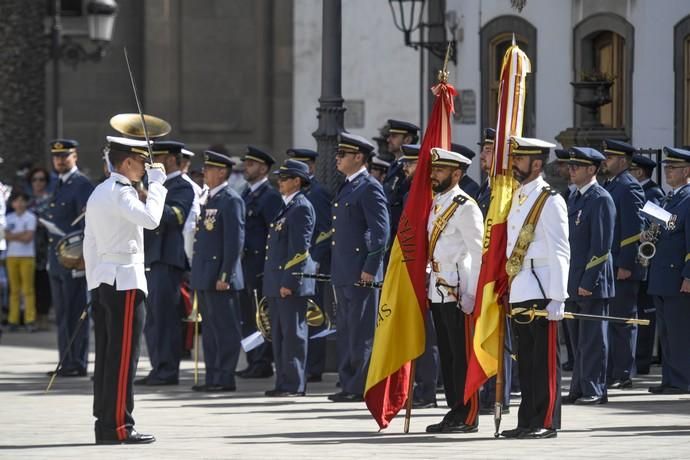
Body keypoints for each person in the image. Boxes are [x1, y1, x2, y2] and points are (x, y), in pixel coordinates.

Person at [84, 135, 167, 444]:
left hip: (105, 280)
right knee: (123, 359)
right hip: (126, 282)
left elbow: (89, 243)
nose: (145, 168)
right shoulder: (122, 193)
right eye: (142, 162)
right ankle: (120, 426)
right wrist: (158, 186)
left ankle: (105, 423)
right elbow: (151, 219)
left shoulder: (99, 191)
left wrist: (94, 284)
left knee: (108, 355)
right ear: (127, 162)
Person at [500, 137, 569, 440]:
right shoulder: (518, 197)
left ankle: (545, 420)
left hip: (542, 289)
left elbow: (560, 250)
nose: (514, 163)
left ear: (537, 164)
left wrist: (558, 297)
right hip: (521, 287)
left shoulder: (550, 199)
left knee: (544, 361)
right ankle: (527, 418)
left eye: (520, 159)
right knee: (525, 360)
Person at [424, 147, 483, 433]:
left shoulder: (465, 206)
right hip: (438, 289)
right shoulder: (437, 203)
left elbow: (478, 251)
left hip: (458, 292)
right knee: (448, 355)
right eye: (434, 169)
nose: (434, 174)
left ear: (456, 174)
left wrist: (472, 293)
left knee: (462, 356)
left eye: (440, 170)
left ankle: (469, 413)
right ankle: (454, 409)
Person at [328, 132, 389, 402]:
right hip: (343, 269)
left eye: (343, 154)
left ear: (359, 157)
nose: (337, 158)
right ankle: (347, 381)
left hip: (361, 270)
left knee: (361, 330)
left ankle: (359, 384)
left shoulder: (369, 186)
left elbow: (381, 232)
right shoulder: (347, 186)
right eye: (338, 154)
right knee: (345, 328)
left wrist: (371, 266)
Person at [136, 141, 195, 386]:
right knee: (152, 319)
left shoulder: (181, 186)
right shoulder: (155, 185)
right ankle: (157, 366)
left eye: (156, 157)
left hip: (167, 259)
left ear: (170, 159)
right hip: (149, 256)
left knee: (165, 318)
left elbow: (175, 216)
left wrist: (147, 195)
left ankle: (168, 370)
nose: (150, 162)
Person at [563, 147, 616, 405]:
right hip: (573, 280)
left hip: (592, 283)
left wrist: (587, 281)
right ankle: (579, 387)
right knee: (577, 342)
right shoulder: (575, 197)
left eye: (577, 166)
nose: (571, 170)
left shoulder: (600, 198)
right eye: (571, 166)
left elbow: (602, 247)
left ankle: (595, 388)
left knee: (593, 339)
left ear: (592, 170)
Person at [190, 150, 245, 392]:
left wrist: (226, 275)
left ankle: (225, 377)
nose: (205, 173)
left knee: (224, 329)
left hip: (220, 277)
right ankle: (212, 375)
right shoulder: (210, 199)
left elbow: (234, 242)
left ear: (222, 172)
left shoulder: (231, 200)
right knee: (210, 330)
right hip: (205, 276)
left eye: (209, 169)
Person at [263, 160, 316, 397]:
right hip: (277, 282)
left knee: (293, 335)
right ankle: (282, 382)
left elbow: (299, 250)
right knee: (280, 335)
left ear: (297, 181)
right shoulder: (287, 206)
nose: (280, 182)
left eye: (285, 178)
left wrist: (289, 282)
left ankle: (294, 384)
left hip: (290, 283)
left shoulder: (301, 207)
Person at [46, 139, 94, 377]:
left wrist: (82, 258)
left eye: (65, 156)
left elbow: (87, 224)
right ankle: (66, 360)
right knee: (63, 313)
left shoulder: (81, 184)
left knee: (76, 313)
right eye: (56, 157)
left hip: (74, 259)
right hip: (57, 259)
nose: (60, 160)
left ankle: (77, 361)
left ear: (75, 156)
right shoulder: (58, 183)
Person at [601, 139, 645, 389]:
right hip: (613, 264)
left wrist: (626, 263)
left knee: (623, 321)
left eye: (610, 157)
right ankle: (612, 371)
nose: (606, 160)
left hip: (623, 265)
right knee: (612, 321)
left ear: (623, 161)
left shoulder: (629, 187)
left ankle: (623, 373)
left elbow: (634, 229)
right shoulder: (614, 184)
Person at [286, 148, 333, 382]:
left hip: (313, 263)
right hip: (296, 262)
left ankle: (314, 365)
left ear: (311, 168)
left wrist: (314, 257)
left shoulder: (318, 192)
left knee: (314, 314)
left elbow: (326, 230)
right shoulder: (293, 194)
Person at [647, 146, 690, 395]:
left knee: (679, 331)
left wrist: (688, 275)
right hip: (662, 274)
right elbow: (667, 229)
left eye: (672, 168)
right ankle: (670, 379)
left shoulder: (687, 198)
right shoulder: (669, 198)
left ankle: (682, 379)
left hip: (677, 276)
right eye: (666, 167)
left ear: (686, 171)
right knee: (666, 332)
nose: (667, 172)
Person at [237, 146, 283, 379]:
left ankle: (263, 360)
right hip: (245, 265)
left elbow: (274, 233)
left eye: (251, 164)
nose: (247, 168)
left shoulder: (270, 196)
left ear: (264, 168)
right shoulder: (246, 194)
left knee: (260, 315)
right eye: (246, 164)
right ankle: (253, 359)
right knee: (248, 316)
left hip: (259, 266)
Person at [629, 154, 665, 374]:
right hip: (636, 258)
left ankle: (642, 360)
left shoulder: (653, 192)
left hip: (648, 262)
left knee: (644, 313)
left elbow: (663, 222)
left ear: (639, 172)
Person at [5, 192, 37, 332]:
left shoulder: (31, 217)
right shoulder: (8, 217)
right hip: (11, 256)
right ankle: (13, 320)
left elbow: (28, 238)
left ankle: (29, 319)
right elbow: (4, 236)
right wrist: (20, 234)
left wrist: (12, 236)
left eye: (22, 200)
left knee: (27, 290)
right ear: (12, 204)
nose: (19, 204)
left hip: (27, 256)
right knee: (14, 290)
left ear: (26, 203)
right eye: (16, 201)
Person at [383, 119, 419, 240]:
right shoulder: (394, 166)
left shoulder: (410, 170)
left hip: (401, 233)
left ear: (407, 140)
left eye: (394, 136)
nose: (388, 140)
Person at [27, 167, 53, 331]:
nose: (38, 183)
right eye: (35, 180)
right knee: (31, 284)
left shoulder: (50, 199)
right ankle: (33, 316)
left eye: (41, 179)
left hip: (45, 247)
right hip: (28, 247)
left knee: (44, 283)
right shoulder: (25, 200)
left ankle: (44, 316)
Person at [476, 128, 495, 218]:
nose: (481, 156)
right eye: (482, 150)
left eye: (487, 151)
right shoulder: (486, 185)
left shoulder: (505, 188)